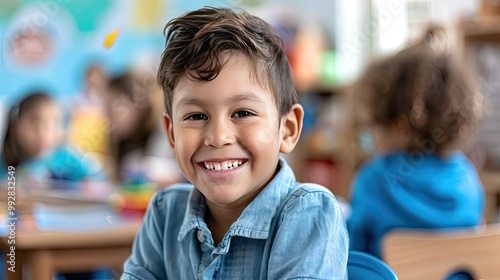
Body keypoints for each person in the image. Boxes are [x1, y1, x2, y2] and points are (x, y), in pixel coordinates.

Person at [122, 7, 348, 280]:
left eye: (242, 113)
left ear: (287, 129)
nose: (218, 137)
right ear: (171, 134)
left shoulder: (310, 213)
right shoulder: (164, 215)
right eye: (196, 116)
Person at [347, 26, 485, 259]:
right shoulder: (467, 177)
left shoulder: (373, 180)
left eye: (372, 125)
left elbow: (354, 258)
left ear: (401, 127)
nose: (368, 134)